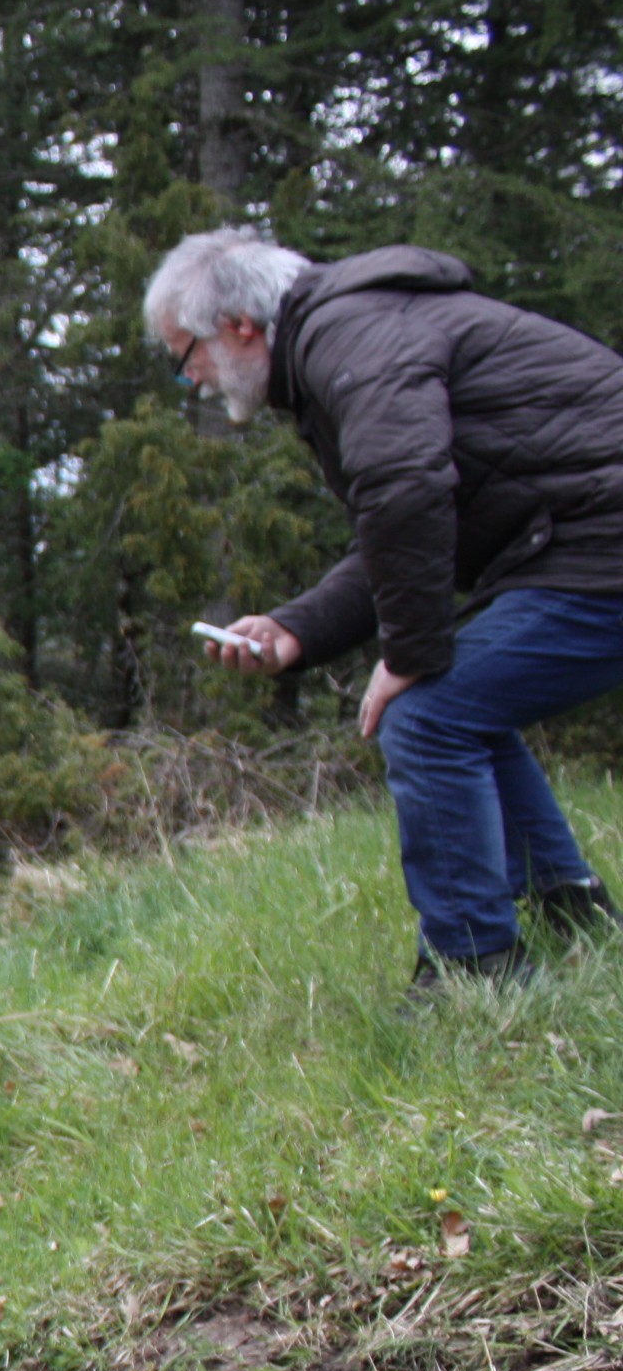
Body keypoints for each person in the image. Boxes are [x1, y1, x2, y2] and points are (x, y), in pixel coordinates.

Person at [153, 227, 623, 990]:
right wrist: (296, 627)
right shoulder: (355, 331)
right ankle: (568, 904)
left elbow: (405, 493)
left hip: (597, 545)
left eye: (186, 357)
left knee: (429, 713)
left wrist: (409, 655)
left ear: (239, 326)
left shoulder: (351, 337)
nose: (194, 380)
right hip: (582, 541)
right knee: (461, 702)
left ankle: (477, 969)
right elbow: (409, 522)